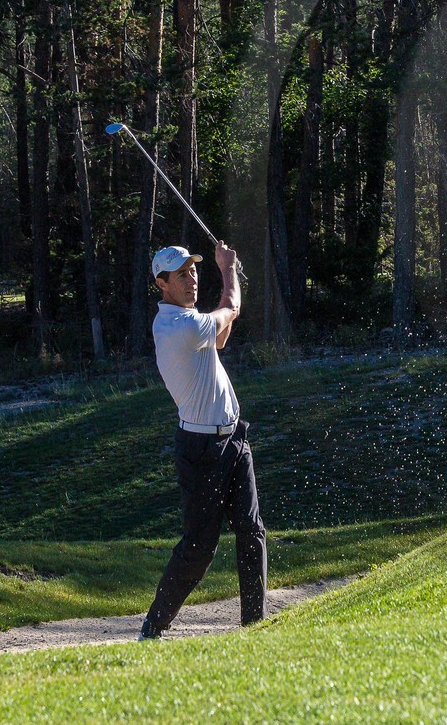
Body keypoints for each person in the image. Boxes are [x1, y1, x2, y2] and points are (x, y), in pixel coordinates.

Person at [139, 241, 266, 640]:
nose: (192, 279)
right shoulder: (178, 327)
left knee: (252, 530)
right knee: (199, 548)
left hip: (233, 439)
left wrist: (228, 280)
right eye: (181, 275)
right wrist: (228, 269)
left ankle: (254, 626)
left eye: (194, 271)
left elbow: (222, 338)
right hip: (201, 451)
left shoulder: (191, 322)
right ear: (162, 284)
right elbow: (231, 308)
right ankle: (154, 625)